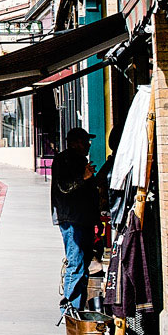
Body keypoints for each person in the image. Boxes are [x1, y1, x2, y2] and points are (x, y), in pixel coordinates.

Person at [52, 126, 99, 313]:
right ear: (74, 143)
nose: (88, 145)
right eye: (84, 141)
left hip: (84, 219)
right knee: (76, 263)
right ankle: (69, 310)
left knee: (84, 265)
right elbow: (64, 188)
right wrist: (83, 177)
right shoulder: (63, 160)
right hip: (72, 219)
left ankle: (77, 307)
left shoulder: (80, 161)